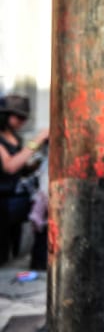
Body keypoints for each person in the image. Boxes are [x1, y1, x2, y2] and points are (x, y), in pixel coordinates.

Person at [0, 94, 46, 266]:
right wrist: (37, 141)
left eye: (24, 118)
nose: (22, 121)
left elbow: (21, 168)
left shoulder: (14, 137)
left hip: (15, 198)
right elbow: (10, 166)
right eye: (19, 117)